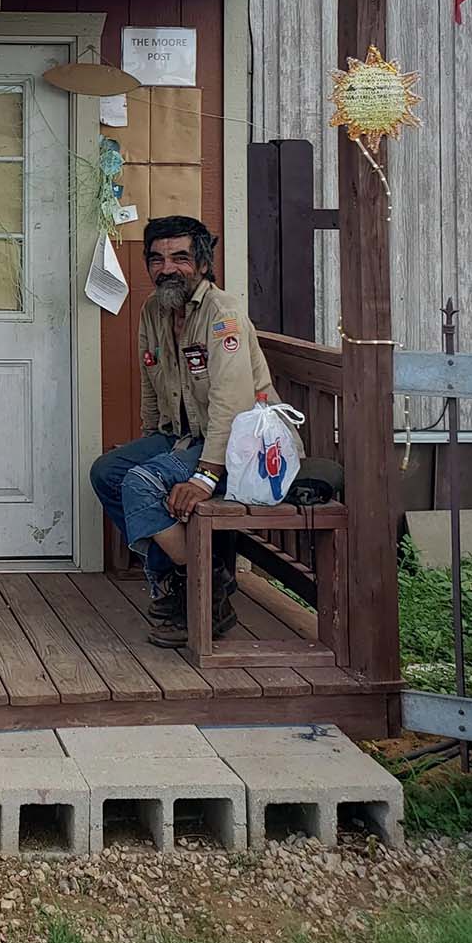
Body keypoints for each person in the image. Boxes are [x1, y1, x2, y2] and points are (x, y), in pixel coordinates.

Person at [89, 214, 291, 647]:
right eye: (157, 259)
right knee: (108, 472)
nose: (167, 268)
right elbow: (150, 382)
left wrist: (205, 475)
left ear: (202, 263)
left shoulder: (222, 314)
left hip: (243, 442)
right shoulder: (153, 310)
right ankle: (185, 575)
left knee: (142, 484)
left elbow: (232, 405)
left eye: (180, 258)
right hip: (182, 436)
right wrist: (148, 440)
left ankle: (205, 592)